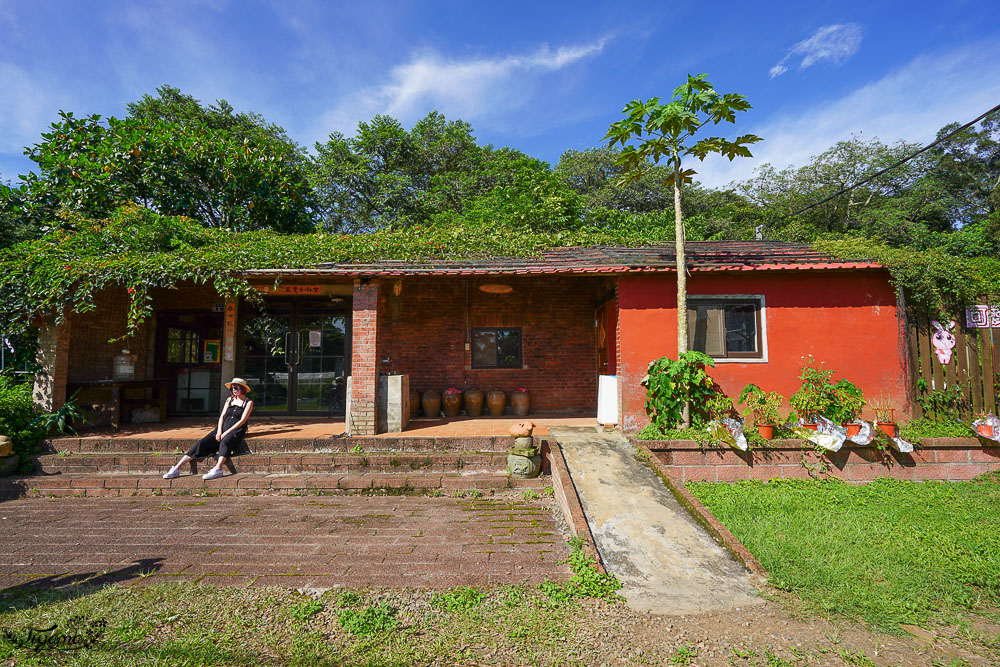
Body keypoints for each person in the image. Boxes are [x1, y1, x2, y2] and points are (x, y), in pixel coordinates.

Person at [163, 378, 254, 480]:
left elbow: (242, 420)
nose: (233, 390)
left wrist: (226, 433)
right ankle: (176, 468)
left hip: (236, 430)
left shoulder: (248, 402)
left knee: (225, 442)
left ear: (242, 389)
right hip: (222, 428)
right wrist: (219, 431)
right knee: (202, 442)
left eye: (236, 387)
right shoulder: (229, 400)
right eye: (232, 388)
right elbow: (222, 416)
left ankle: (218, 469)